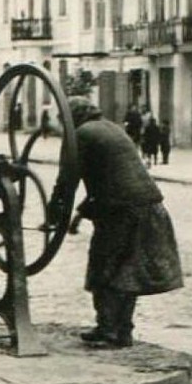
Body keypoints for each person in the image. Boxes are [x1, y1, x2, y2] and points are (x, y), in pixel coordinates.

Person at [59, 97, 183, 349]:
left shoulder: (80, 135)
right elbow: (110, 180)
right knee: (128, 273)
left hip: (121, 213)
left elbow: (66, 182)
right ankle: (122, 330)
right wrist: (80, 215)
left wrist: (54, 218)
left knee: (104, 268)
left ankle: (107, 329)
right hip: (149, 209)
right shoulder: (112, 127)